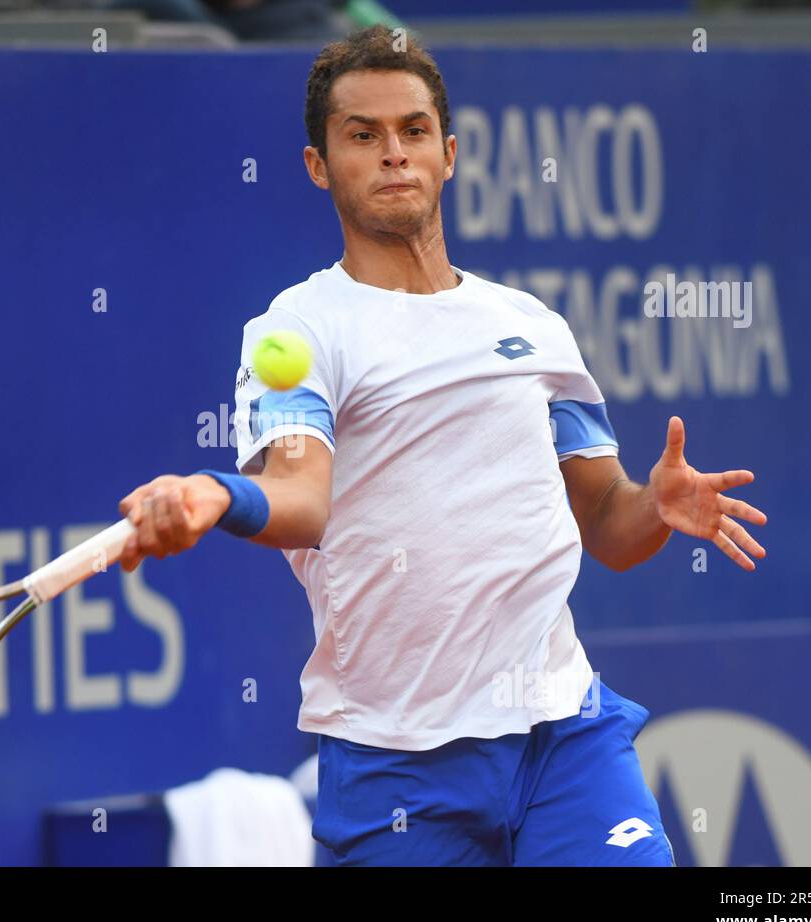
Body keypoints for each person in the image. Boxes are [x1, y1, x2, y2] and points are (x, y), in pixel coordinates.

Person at [114, 26, 768, 865]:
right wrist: (219, 493)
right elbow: (305, 501)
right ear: (319, 165)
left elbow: (607, 523)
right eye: (363, 135)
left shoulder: (532, 329)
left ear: (449, 153)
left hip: (562, 735)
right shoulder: (298, 331)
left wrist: (656, 505)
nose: (393, 154)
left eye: (413, 131)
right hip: (396, 764)